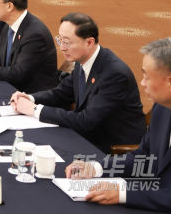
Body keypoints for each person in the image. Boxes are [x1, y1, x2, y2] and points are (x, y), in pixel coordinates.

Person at [66, 38, 171, 211]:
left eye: (147, 76)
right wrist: (96, 168)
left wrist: (123, 194)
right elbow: (144, 156)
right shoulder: (163, 109)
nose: (142, 83)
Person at [10, 13, 146, 153]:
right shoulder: (82, 61)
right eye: (60, 40)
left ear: (89, 42)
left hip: (113, 148)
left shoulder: (114, 74)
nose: (62, 47)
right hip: (89, 135)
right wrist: (30, 98)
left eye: (67, 42)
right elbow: (60, 93)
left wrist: (35, 110)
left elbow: (86, 121)